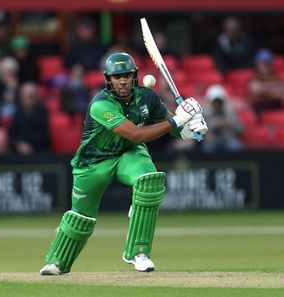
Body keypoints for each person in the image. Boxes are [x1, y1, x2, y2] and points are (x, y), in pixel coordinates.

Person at [39, 53, 207, 275]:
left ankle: (138, 253)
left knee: (149, 182)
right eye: (117, 77)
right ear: (109, 79)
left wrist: (190, 127)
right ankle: (57, 262)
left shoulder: (147, 97)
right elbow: (136, 134)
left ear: (134, 76)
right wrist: (177, 119)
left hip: (128, 154)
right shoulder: (100, 104)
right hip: (93, 162)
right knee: (81, 218)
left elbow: (171, 128)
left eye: (126, 76)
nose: (123, 81)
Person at [201, 84, 243, 152]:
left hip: (227, 139)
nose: (217, 104)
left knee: (235, 146)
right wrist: (213, 125)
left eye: (219, 101)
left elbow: (240, 129)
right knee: (207, 148)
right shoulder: (204, 113)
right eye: (215, 101)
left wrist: (228, 123)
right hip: (211, 140)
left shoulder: (229, 112)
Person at [248, 48, 284, 114]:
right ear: (258, 63)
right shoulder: (254, 78)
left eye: (269, 63)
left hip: (277, 109)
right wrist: (275, 90)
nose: (267, 66)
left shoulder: (277, 78)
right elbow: (256, 90)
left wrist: (265, 89)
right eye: (264, 63)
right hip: (261, 111)